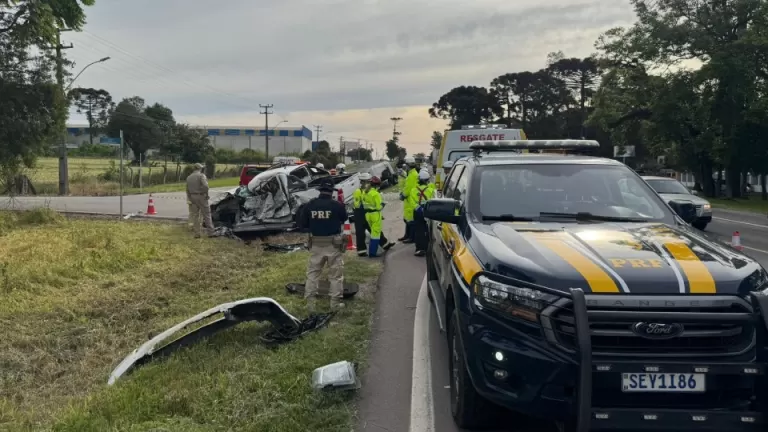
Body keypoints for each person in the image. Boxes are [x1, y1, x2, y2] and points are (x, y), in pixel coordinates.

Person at [297, 178, 348, 312]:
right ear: (331, 192)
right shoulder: (337, 205)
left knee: (313, 274)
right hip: (333, 244)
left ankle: (310, 304)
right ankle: (335, 304)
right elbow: (344, 219)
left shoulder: (310, 205)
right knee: (335, 276)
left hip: (316, 244)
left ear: (319, 190)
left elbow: (302, 225)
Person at [363, 176, 395, 257]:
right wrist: (383, 204)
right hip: (375, 215)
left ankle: (374, 250)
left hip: (367, 215)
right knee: (375, 234)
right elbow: (378, 207)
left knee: (373, 233)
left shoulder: (365, 192)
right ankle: (372, 253)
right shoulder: (376, 194)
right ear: (377, 185)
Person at [409, 170, 435, 256]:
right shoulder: (431, 190)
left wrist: (418, 208)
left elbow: (411, 201)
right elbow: (433, 201)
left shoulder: (413, 190)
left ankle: (420, 249)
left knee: (419, 230)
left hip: (418, 212)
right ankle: (429, 247)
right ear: (427, 180)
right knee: (429, 230)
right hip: (428, 211)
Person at [186, 163, 213, 238]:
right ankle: (210, 232)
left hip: (192, 196)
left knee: (195, 216)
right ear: (200, 168)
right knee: (207, 214)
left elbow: (187, 190)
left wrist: (190, 198)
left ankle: (197, 233)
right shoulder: (201, 175)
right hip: (201, 196)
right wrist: (206, 194)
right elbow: (206, 186)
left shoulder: (189, 177)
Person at [399, 156, 419, 243]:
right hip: (409, 200)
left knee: (410, 220)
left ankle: (411, 238)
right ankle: (407, 235)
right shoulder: (411, 174)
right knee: (407, 219)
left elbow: (408, 188)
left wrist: (403, 195)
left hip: (410, 199)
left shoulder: (412, 175)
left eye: (406, 165)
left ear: (408, 165)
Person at [353, 173, 372, 257]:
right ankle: (361, 251)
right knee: (360, 233)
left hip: (367, 213)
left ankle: (385, 244)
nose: (369, 184)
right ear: (363, 182)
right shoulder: (358, 191)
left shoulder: (369, 190)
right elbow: (357, 205)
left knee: (374, 229)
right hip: (359, 213)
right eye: (367, 182)